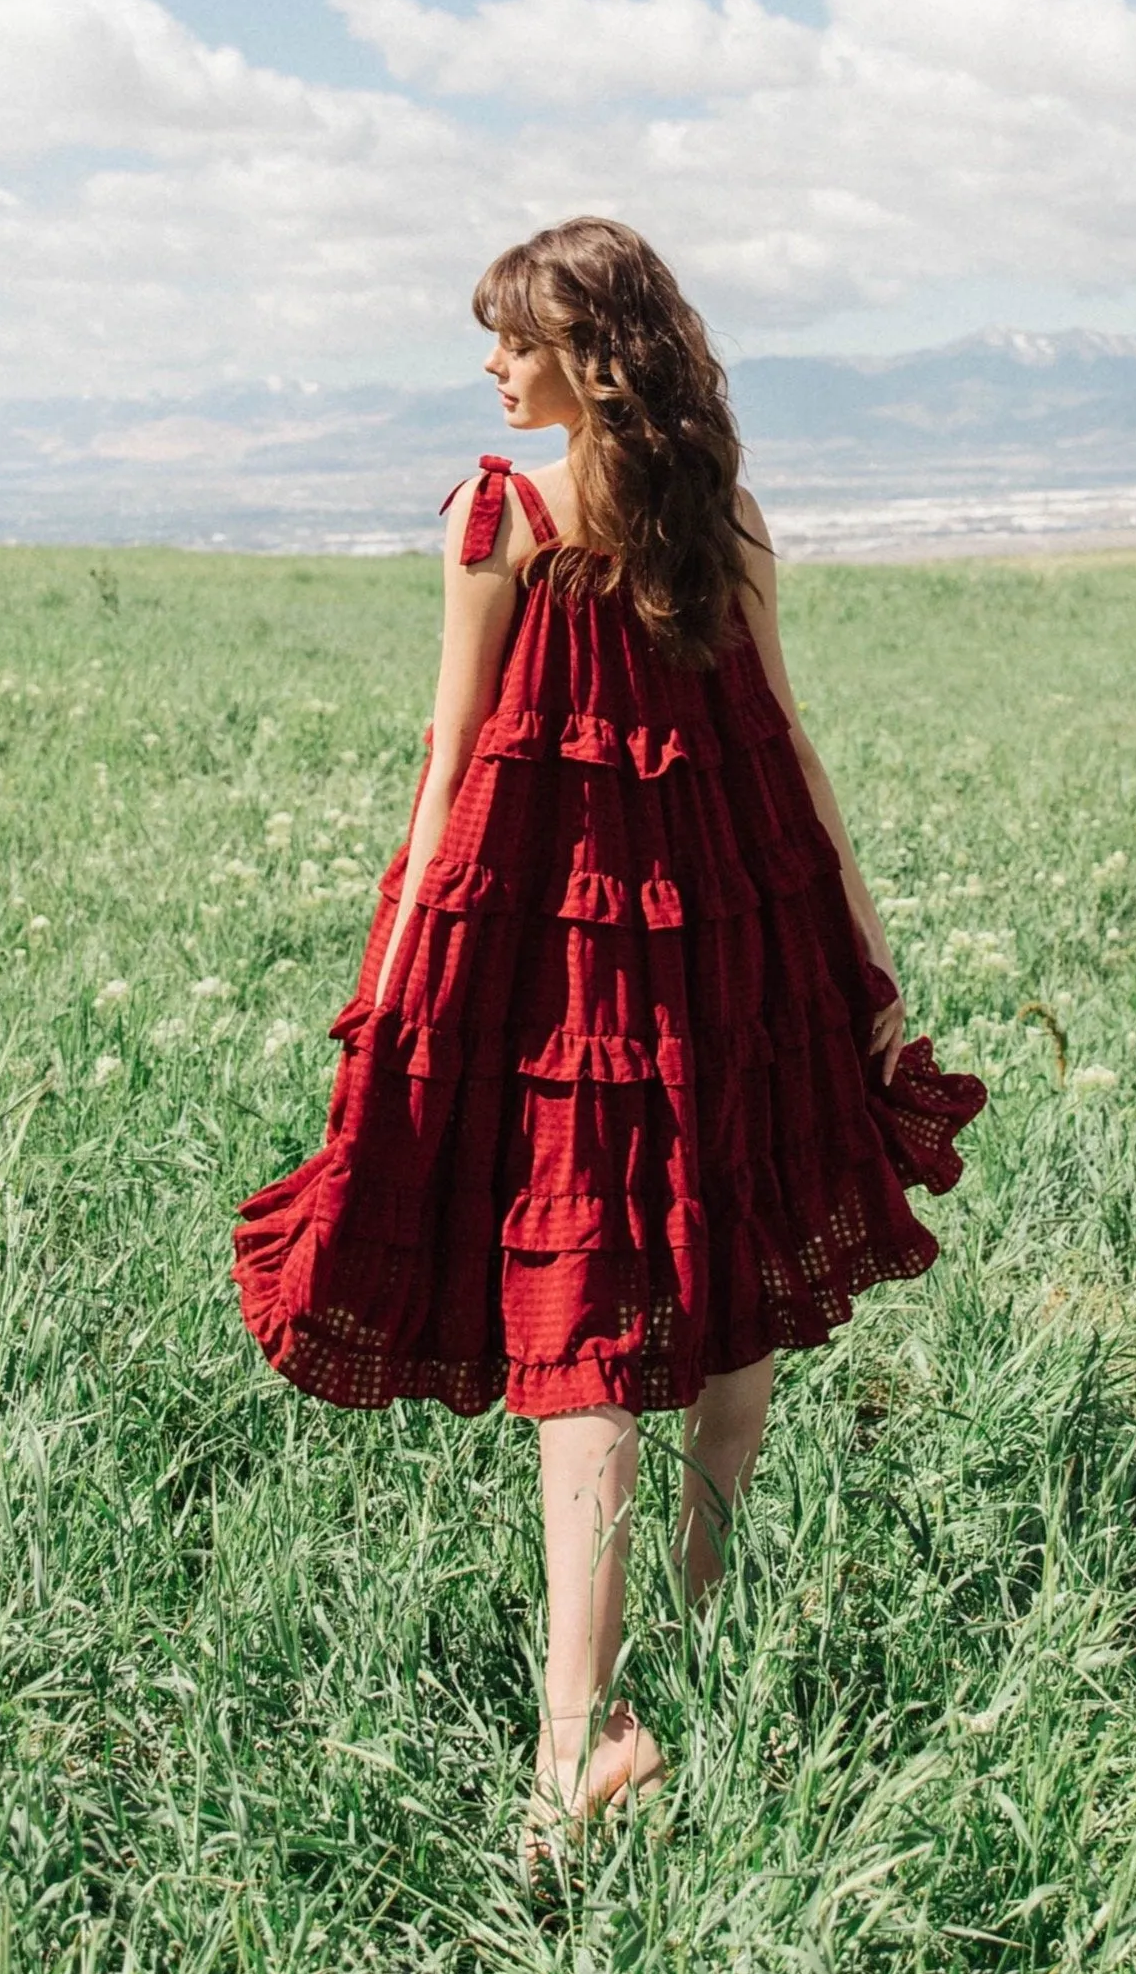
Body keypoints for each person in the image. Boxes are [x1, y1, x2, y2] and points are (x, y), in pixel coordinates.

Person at [232, 218, 984, 1860]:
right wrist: (859, 944)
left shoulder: (495, 515)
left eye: (513, 340)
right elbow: (786, 736)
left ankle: (586, 1723)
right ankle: (698, 1623)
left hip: (573, 959)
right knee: (724, 1256)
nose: (492, 368)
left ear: (592, 357)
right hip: (736, 932)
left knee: (589, 1305)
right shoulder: (721, 515)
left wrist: (400, 976)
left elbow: (449, 762)